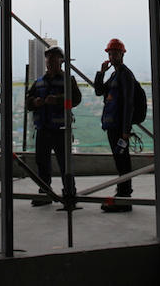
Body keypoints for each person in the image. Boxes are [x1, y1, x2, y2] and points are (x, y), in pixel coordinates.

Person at [26, 44, 81, 207]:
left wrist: (58, 99)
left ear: (61, 62)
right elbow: (28, 102)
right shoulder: (39, 82)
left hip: (61, 130)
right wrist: (34, 102)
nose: (50, 63)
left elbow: (76, 99)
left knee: (65, 164)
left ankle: (69, 194)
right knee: (42, 162)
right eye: (48, 60)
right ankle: (45, 193)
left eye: (53, 60)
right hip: (43, 129)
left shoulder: (67, 80)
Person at [93, 38, 137, 213]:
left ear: (122, 54)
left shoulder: (125, 75)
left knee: (123, 161)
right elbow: (98, 91)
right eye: (110, 54)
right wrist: (101, 72)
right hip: (112, 126)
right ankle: (123, 193)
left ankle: (124, 196)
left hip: (120, 128)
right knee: (120, 161)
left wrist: (126, 130)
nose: (112, 56)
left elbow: (129, 103)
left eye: (115, 53)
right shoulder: (114, 75)